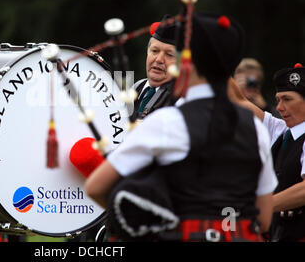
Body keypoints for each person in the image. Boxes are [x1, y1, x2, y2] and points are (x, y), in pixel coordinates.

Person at [85, 13, 277, 242]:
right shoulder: (255, 128)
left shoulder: (168, 122)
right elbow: (264, 218)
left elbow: (96, 187)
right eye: (155, 51)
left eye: (171, 55)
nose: (160, 60)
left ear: (186, 63)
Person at [229, 63, 305, 241]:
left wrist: (260, 206)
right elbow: (238, 100)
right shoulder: (282, 130)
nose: (279, 107)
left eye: (287, 99)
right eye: (278, 99)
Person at [130, 15, 179, 121]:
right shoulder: (136, 87)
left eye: (169, 54)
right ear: (147, 52)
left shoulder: (179, 101)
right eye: (155, 51)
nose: (159, 59)